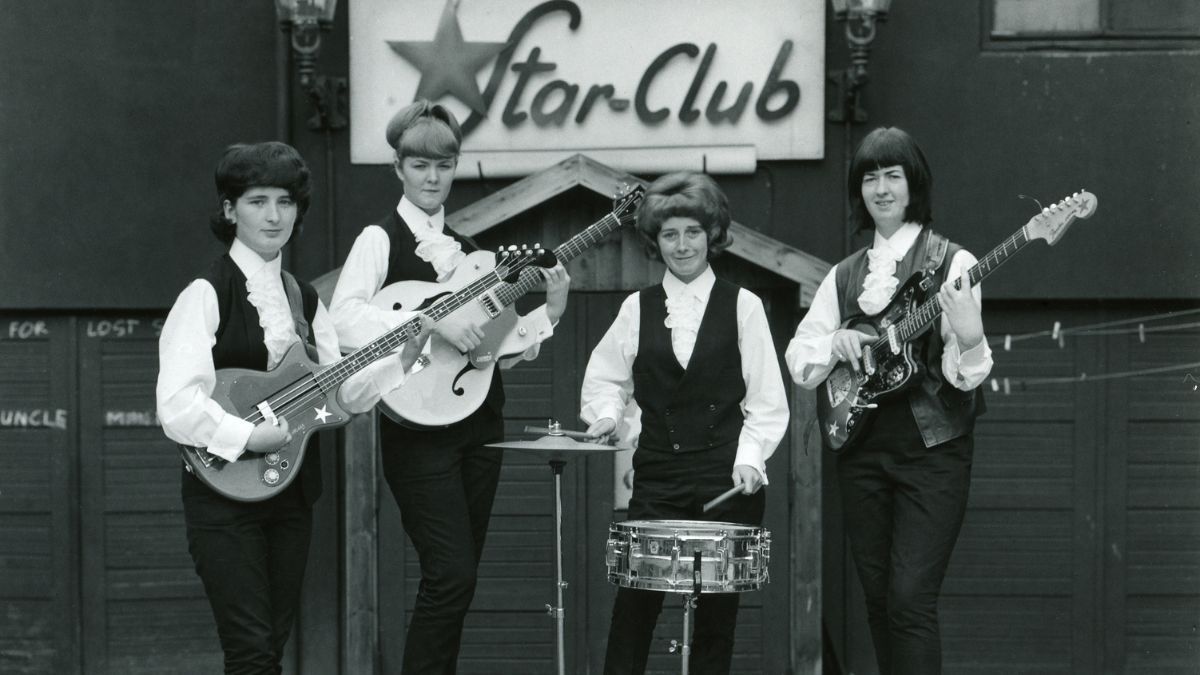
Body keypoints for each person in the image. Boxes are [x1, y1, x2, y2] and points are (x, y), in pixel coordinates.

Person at [156, 142, 428, 674]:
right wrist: (245, 438)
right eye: (257, 201)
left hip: (290, 493)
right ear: (230, 210)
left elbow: (339, 393)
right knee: (252, 652)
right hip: (223, 497)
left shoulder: (305, 298)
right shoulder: (205, 294)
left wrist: (401, 360)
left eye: (285, 201)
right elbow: (176, 404)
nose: (274, 215)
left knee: (270, 647)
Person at [329, 99, 571, 674]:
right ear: (398, 168)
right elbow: (341, 320)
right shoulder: (378, 239)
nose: (433, 177)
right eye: (420, 165)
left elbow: (494, 351)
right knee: (450, 572)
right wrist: (428, 320)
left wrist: (552, 312)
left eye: (444, 165)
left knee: (458, 583)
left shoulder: (471, 252)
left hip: (480, 422)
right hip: (417, 432)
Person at [785, 127, 993, 675]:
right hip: (862, 451)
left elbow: (966, 376)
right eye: (870, 177)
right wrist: (835, 341)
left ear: (913, 184)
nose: (881, 188)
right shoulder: (844, 274)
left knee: (909, 600)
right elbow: (801, 358)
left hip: (933, 452)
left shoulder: (954, 262)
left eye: (892, 175)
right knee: (878, 600)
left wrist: (969, 335)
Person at [580, 171, 789, 675]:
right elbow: (605, 380)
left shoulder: (745, 306)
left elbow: (767, 402)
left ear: (712, 235)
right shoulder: (636, 308)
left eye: (693, 232)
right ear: (656, 241)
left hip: (727, 480)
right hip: (657, 480)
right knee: (633, 616)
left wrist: (749, 461)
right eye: (670, 234)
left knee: (717, 627)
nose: (682, 245)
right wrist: (607, 417)